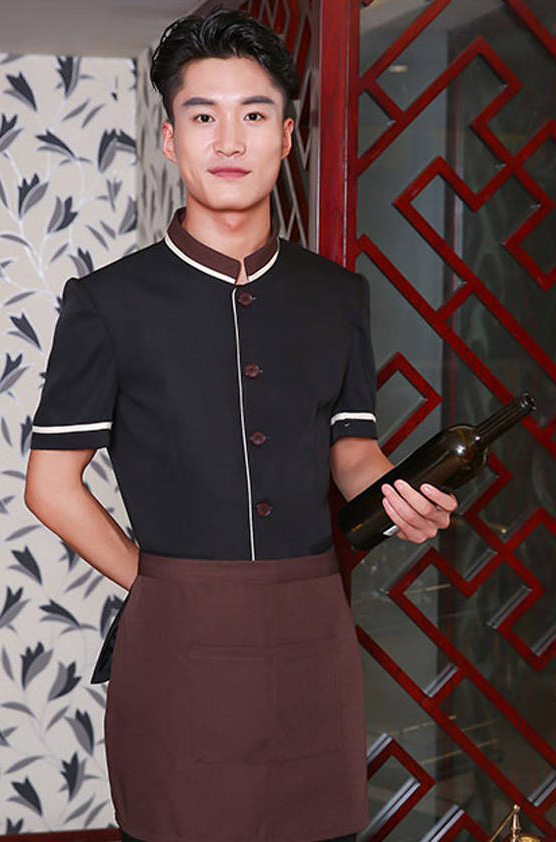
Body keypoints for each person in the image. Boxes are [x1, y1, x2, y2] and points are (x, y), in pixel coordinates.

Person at [24, 7, 458, 842]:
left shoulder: (337, 296)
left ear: (286, 136)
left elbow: (351, 448)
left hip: (311, 630)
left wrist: (396, 496)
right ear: (169, 139)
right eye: (203, 116)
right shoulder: (108, 303)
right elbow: (51, 486)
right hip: (175, 645)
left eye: (254, 114)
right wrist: (156, 585)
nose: (229, 140)